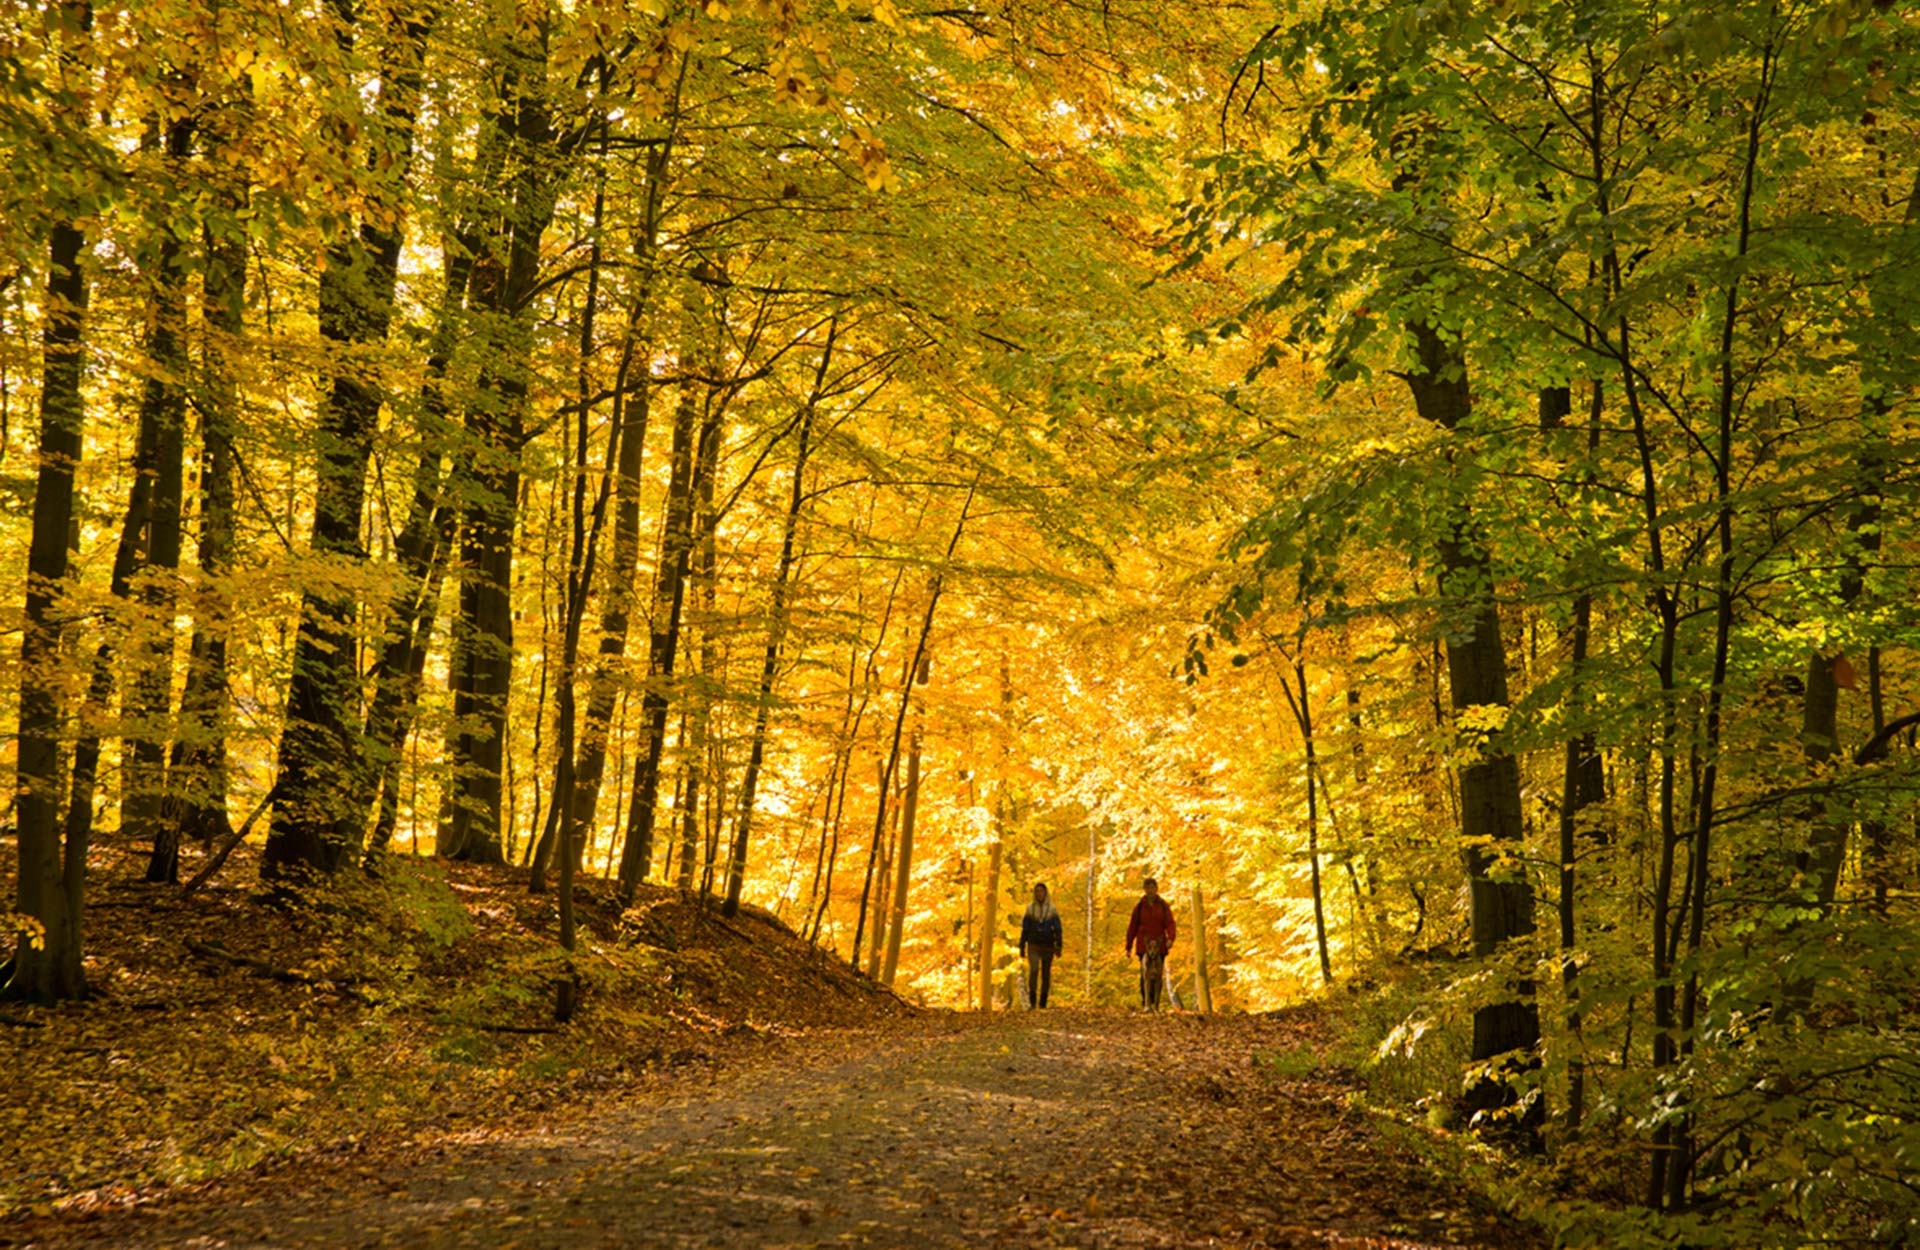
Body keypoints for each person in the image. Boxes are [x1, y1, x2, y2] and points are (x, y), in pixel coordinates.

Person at [1125, 877, 1178, 1010]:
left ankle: (1155, 1003)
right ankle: (1146, 1003)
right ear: (1144, 889)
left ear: (1156, 889)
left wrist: (1171, 938)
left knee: (1157, 977)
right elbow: (1132, 926)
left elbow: (1170, 923)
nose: (1150, 890)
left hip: (1160, 946)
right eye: (1148, 888)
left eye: (1152, 887)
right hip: (1144, 946)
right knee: (1145, 976)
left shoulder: (1163, 906)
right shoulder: (1139, 907)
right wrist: (1128, 946)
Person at [1019, 883, 1063, 1008]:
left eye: (1042, 891)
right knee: (1033, 970)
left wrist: (1059, 945)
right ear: (1034, 893)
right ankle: (1032, 1002)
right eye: (1037, 891)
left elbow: (1058, 929)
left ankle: (1043, 1003)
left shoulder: (1052, 909)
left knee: (1046, 974)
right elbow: (1025, 929)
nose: (1039, 894)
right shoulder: (1029, 909)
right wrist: (1021, 946)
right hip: (1033, 945)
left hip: (1048, 946)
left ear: (1045, 893)